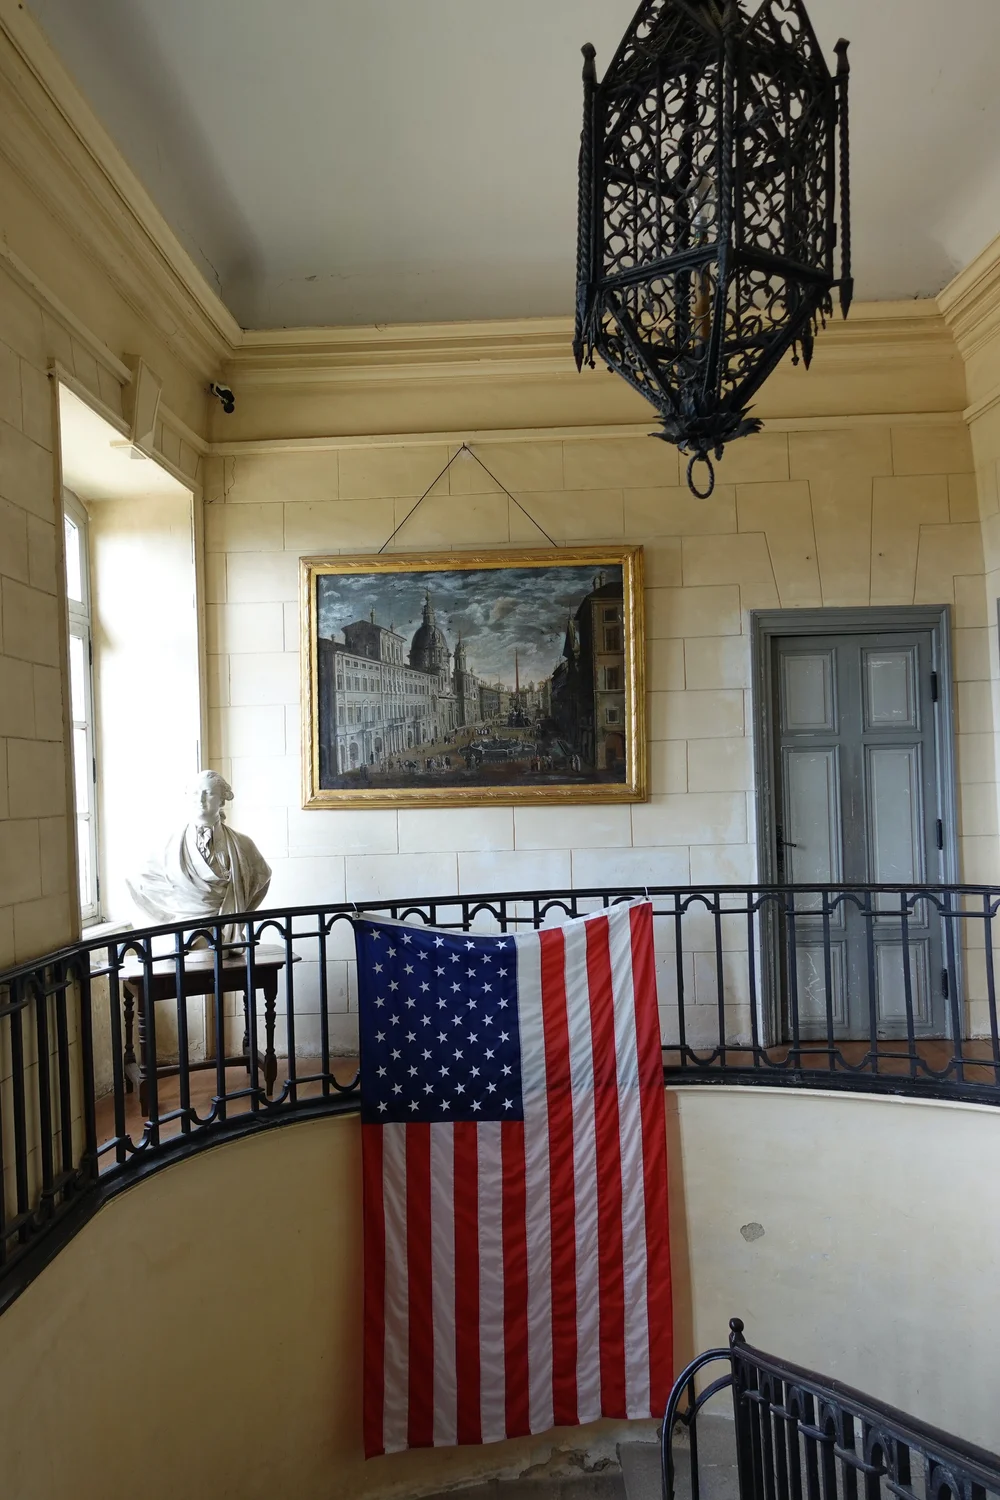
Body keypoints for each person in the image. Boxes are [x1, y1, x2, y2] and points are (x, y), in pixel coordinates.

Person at [127, 770, 271, 929]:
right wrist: (168, 916)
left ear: (222, 800)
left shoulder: (243, 845)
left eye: (208, 793)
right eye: (195, 793)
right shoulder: (166, 846)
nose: (200, 800)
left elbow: (262, 878)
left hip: (227, 928)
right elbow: (139, 882)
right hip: (185, 927)